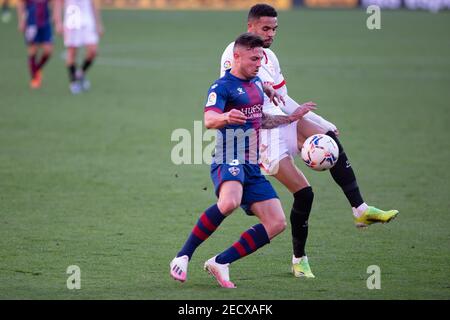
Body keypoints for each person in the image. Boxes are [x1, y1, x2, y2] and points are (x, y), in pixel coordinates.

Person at [220, 4, 399, 278]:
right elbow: (258, 101)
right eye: (265, 28)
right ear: (250, 27)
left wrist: (319, 122)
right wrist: (300, 121)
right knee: (304, 193)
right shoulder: (236, 54)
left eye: (274, 29)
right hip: (260, 134)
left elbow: (283, 99)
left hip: (281, 120)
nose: (271, 34)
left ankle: (360, 209)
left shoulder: (269, 57)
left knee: (330, 139)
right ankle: (299, 259)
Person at [169, 33, 316, 288]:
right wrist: (226, 117)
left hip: (251, 163)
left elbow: (261, 121)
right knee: (230, 202)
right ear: (236, 56)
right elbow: (209, 120)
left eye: (260, 58)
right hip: (229, 157)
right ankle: (183, 255)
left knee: (276, 223)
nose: (259, 63)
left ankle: (221, 262)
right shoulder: (222, 87)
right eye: (254, 58)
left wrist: (292, 118)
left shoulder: (258, 84)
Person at [53, 0, 103, 94]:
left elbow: (93, 4)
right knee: (72, 52)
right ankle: (73, 82)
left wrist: (98, 23)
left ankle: (80, 74)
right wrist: (58, 22)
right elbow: (57, 3)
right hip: (72, 19)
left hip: (88, 19)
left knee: (93, 51)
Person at [16, 0, 54, 89]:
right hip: (31, 23)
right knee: (33, 50)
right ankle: (35, 78)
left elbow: (54, 2)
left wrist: (54, 15)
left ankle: (37, 69)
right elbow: (20, 3)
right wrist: (21, 20)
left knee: (48, 50)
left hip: (45, 24)